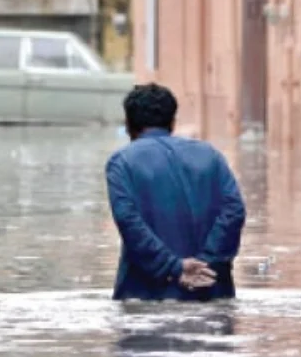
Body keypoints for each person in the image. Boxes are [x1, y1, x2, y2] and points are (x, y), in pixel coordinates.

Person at [105, 83, 246, 301]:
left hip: (145, 297)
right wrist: (205, 264)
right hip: (211, 291)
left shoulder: (122, 162)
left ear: (128, 125)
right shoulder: (210, 155)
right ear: (172, 122)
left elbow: (128, 220)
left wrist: (174, 268)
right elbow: (234, 210)